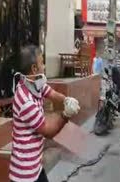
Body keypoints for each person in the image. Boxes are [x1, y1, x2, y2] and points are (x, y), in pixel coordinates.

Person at [10, 45, 80, 182]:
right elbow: (47, 131)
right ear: (34, 69)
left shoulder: (35, 83)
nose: (45, 66)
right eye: (42, 62)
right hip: (25, 173)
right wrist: (65, 114)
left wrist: (66, 100)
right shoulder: (25, 100)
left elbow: (50, 92)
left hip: (35, 166)